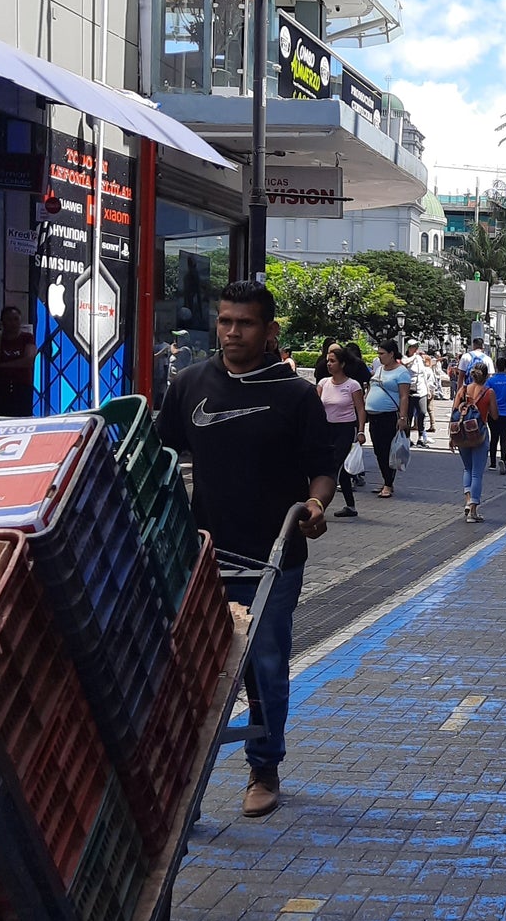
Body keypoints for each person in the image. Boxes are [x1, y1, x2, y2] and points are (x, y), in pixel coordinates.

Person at [156, 281, 335, 818]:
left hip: (273, 557)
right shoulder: (190, 384)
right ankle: (181, 779)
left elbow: (322, 470)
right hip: (203, 552)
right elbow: (162, 456)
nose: (232, 332)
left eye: (246, 323)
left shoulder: (296, 395)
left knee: (264, 664)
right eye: (226, 321)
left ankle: (264, 766)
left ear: (270, 330)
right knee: (189, 667)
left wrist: (316, 506)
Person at [317, 342, 367, 519]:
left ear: (342, 364)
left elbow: (360, 409)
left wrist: (361, 431)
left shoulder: (352, 385)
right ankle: (350, 506)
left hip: (345, 428)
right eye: (328, 361)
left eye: (333, 361)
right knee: (339, 470)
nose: (329, 364)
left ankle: (319, 505)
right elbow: (315, 407)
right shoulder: (323, 383)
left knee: (336, 466)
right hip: (326, 429)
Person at [365, 340, 411, 498]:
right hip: (374, 416)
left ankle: (388, 484)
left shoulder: (401, 372)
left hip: (389, 416)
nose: (379, 357)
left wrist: (403, 417)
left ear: (391, 354)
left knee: (387, 451)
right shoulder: (379, 370)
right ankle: (385, 480)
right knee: (378, 451)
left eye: (382, 354)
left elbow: (404, 396)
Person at [453, 360, 496, 521]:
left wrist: (452, 438)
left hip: (462, 434)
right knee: (477, 473)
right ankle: (473, 511)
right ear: (486, 376)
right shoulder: (488, 392)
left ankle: (467, 501)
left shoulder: (462, 390)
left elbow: (454, 413)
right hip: (479, 434)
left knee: (467, 469)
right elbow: (495, 415)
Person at [0, 305, 37, 417]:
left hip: (21, 388)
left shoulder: (27, 338)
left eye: (16, 319)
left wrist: (2, 365)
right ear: (2, 322)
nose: (13, 323)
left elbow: (28, 361)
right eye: (9, 320)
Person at [485, 356, 506, 474]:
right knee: (504, 438)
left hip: (493, 413)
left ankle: (493, 463)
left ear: (496, 366)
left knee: (494, 437)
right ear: (505, 366)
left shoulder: (490, 381)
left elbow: (485, 394)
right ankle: (503, 460)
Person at [404, 340, 432, 447]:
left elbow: (423, 374)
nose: (415, 349)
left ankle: (420, 437)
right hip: (409, 391)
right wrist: (413, 357)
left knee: (422, 413)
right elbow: (405, 363)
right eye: (413, 347)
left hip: (421, 390)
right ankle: (407, 438)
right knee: (409, 416)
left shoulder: (419, 358)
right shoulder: (406, 358)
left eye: (416, 347)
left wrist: (428, 389)